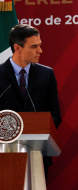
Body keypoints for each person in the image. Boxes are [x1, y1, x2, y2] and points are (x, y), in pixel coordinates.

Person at [0, 24, 62, 176]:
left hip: (37, 154)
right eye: (34, 46)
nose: (40, 51)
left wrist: (38, 131)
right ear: (17, 48)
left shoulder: (46, 74)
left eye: (39, 45)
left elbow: (55, 115)